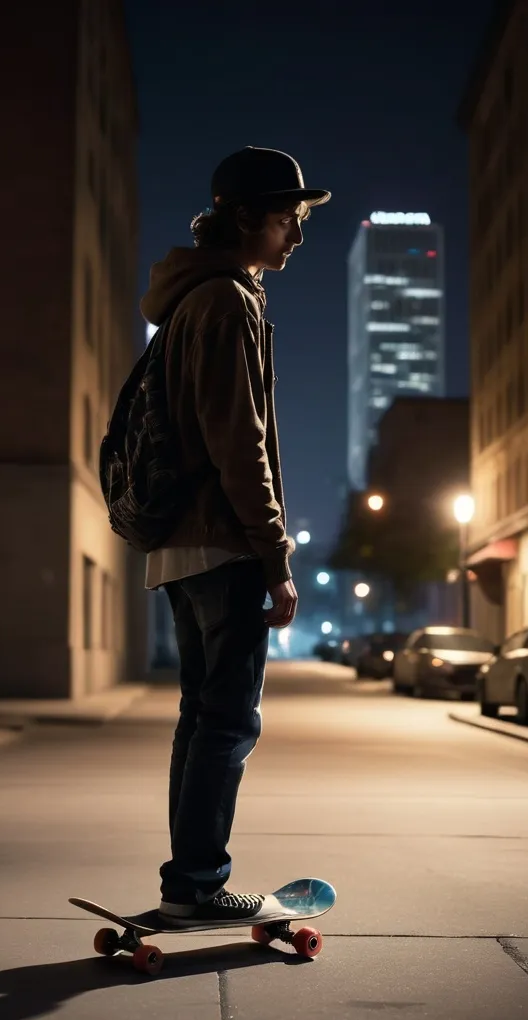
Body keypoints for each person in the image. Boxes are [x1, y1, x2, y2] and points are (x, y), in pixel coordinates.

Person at [139, 147, 330, 924]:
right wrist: (275, 555)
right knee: (227, 721)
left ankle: (189, 880)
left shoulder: (190, 300)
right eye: (288, 219)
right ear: (246, 217)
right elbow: (239, 441)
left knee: (202, 717)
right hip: (225, 545)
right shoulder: (226, 302)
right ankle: (198, 884)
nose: (296, 235)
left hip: (181, 547)